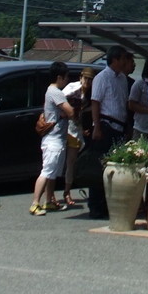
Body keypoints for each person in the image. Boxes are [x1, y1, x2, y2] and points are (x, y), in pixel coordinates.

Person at [87, 45, 131, 220]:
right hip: (105, 125)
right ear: (115, 59)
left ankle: (108, 205)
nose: (124, 62)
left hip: (119, 125)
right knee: (100, 168)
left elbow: (123, 103)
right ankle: (96, 206)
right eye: (122, 59)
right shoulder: (102, 77)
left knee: (115, 168)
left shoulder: (122, 79)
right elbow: (95, 102)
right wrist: (96, 126)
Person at [30, 61, 75, 215]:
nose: (67, 80)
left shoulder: (50, 91)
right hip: (53, 139)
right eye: (65, 77)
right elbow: (70, 112)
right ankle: (35, 203)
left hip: (56, 138)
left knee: (53, 172)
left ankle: (49, 200)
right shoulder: (56, 92)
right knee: (47, 171)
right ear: (59, 77)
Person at [60, 66, 95, 207]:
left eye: (90, 79)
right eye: (85, 78)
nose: (87, 81)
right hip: (63, 127)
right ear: (80, 77)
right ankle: (51, 195)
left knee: (71, 162)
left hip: (76, 130)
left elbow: (86, 111)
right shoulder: (72, 89)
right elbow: (60, 102)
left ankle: (66, 191)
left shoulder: (90, 94)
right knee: (58, 161)